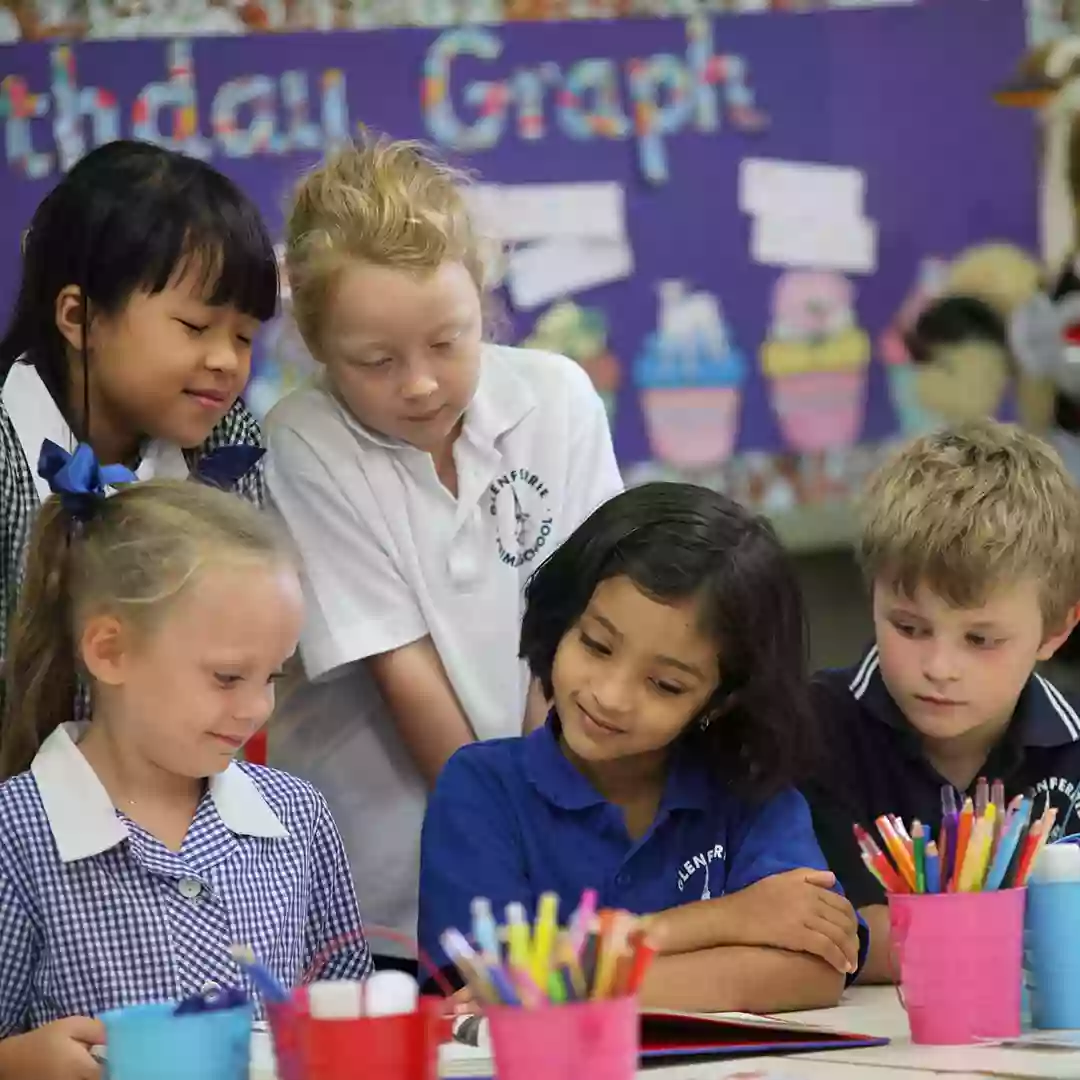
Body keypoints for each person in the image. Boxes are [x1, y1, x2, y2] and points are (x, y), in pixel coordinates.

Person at [264, 134, 623, 968]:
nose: (420, 383)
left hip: (553, 835)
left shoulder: (557, 400)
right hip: (387, 879)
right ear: (318, 347)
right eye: (376, 361)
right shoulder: (303, 443)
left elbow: (575, 637)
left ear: (483, 305)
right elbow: (403, 671)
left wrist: (553, 826)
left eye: (448, 342)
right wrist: (506, 838)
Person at [418, 483, 864, 1013]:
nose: (611, 696)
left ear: (718, 702)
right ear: (561, 622)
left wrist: (583, 978)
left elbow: (816, 973)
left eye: (666, 685)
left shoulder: (749, 793)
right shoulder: (483, 788)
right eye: (596, 645)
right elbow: (502, 988)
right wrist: (726, 919)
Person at [0, 443, 369, 1077]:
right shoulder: (16, 832)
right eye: (228, 677)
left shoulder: (297, 816)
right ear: (111, 651)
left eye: (272, 676)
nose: (257, 708)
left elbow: (349, 1013)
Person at [803, 420, 1080, 984]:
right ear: (873, 596)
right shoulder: (812, 730)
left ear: (1056, 630)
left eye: (980, 640)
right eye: (909, 627)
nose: (939, 668)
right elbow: (837, 937)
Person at [0, 139, 278, 681]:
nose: (226, 361)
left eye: (245, 337)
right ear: (79, 317)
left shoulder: (226, 444)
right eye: (195, 327)